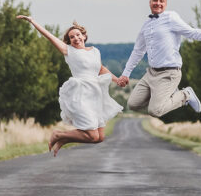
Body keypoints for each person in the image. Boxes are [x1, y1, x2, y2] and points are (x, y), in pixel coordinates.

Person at [17, 15, 124, 156]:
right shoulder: (68, 51)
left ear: (84, 36)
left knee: (100, 138)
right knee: (92, 136)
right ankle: (58, 135)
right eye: (72, 37)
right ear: (69, 41)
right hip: (81, 94)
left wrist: (117, 80)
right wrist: (32, 21)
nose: (76, 38)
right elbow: (49, 36)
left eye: (78, 35)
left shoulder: (95, 51)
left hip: (96, 95)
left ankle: (63, 139)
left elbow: (100, 69)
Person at [116, 0, 201, 116]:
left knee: (155, 111)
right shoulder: (146, 25)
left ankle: (185, 95)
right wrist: (126, 73)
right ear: (150, 2)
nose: (158, 3)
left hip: (169, 73)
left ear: (165, 4)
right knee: (133, 104)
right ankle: (165, 95)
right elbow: (138, 51)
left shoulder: (171, 18)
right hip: (151, 73)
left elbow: (191, 32)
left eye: (162, 1)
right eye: (155, 0)